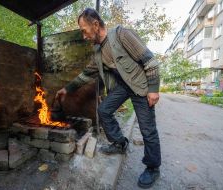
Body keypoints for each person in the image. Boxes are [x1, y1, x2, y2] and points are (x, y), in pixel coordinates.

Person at [56, 8, 161, 188]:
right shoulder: (97, 52)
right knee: (103, 110)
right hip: (122, 87)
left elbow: (150, 61)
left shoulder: (121, 34)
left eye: (84, 30)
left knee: (147, 129)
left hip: (140, 86)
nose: (84, 36)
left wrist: (153, 89)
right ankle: (120, 143)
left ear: (95, 25)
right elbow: (86, 74)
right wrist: (66, 89)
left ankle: (152, 168)